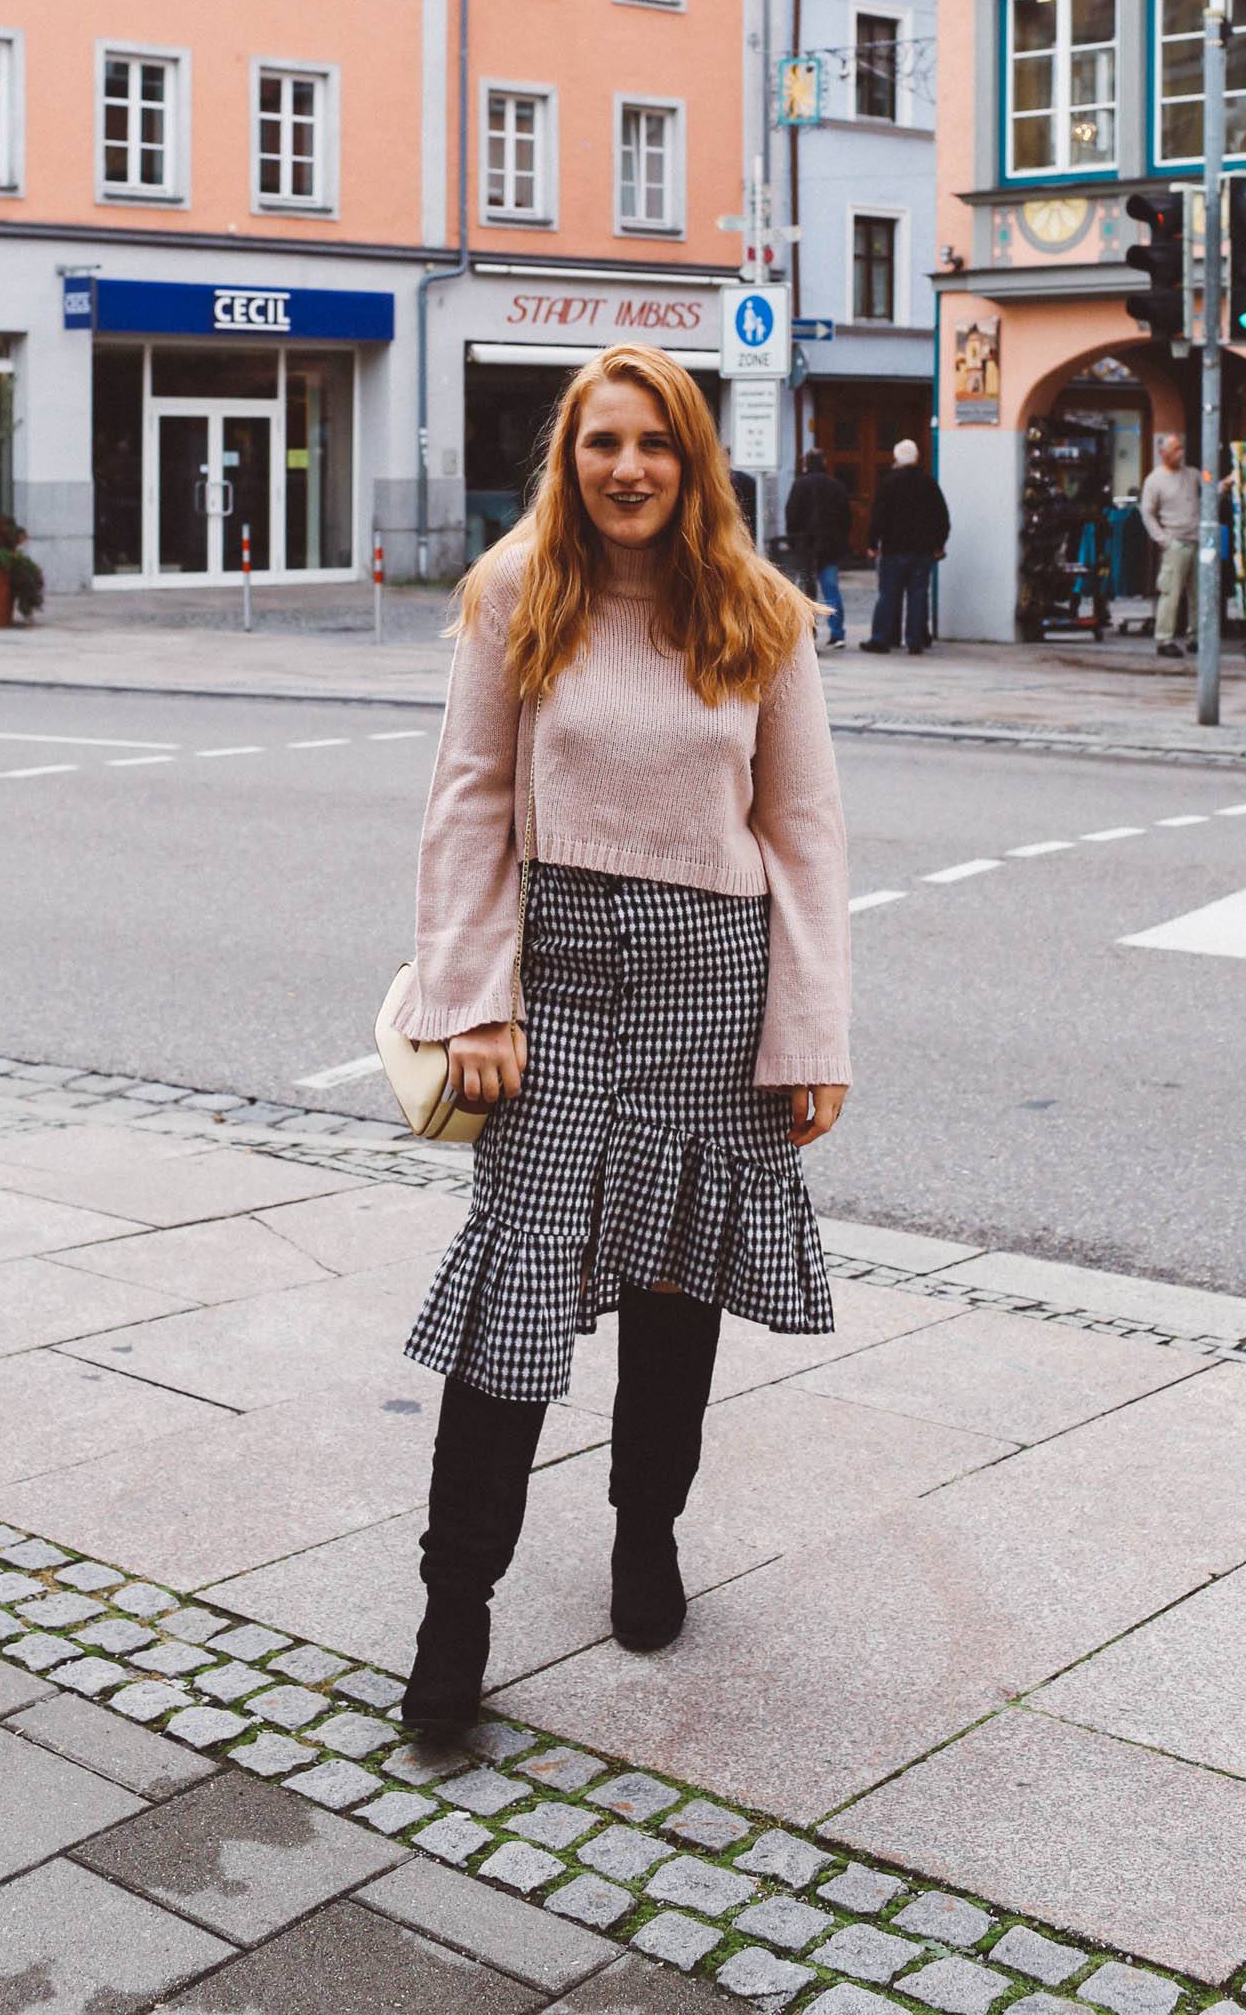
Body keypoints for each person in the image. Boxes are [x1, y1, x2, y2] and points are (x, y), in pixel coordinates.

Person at [394, 342, 852, 1733]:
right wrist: (470, 998)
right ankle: (453, 1617)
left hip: (713, 984)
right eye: (602, 443)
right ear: (570, 456)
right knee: (519, 1292)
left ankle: (645, 1531)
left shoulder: (760, 613)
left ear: (692, 458)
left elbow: (804, 830)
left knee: (672, 1290)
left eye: (654, 442)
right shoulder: (517, 591)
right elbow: (468, 802)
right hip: (557, 981)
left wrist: (811, 1033)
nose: (628, 468)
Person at [1139, 431, 1228, 658]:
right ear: (1163, 452)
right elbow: (1147, 513)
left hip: (1197, 539)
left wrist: (1224, 485)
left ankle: (1196, 636)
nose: (1180, 454)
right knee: (1171, 592)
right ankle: (1164, 638)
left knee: (1199, 593)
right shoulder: (1154, 480)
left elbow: (1210, 490)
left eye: (1181, 449)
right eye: (1175, 449)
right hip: (1175, 542)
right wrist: (1164, 540)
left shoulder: (1193, 474)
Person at [860, 437, 949, 657]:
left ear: (896, 458)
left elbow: (878, 516)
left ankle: (882, 638)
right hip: (922, 551)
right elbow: (942, 518)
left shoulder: (889, 482)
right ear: (917, 457)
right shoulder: (929, 483)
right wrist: (938, 544)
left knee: (888, 594)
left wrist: (872, 543)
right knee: (918, 595)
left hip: (894, 549)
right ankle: (915, 640)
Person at [783, 446, 851, 649]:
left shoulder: (800, 485)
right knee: (831, 589)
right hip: (830, 546)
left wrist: (793, 541)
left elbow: (792, 514)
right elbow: (846, 517)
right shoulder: (836, 486)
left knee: (804, 590)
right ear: (824, 463)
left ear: (806, 464)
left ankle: (808, 633)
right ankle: (837, 633)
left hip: (805, 547)